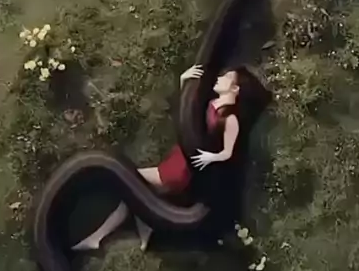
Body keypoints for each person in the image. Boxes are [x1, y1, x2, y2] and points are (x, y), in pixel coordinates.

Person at [72, 64, 244, 252]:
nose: (220, 77)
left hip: (181, 169)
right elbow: (187, 113)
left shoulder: (230, 119)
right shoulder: (212, 104)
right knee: (141, 194)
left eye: (227, 77)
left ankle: (99, 237)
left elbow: (228, 152)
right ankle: (144, 229)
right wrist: (183, 80)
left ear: (235, 89)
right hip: (178, 159)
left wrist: (210, 157)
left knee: (131, 183)